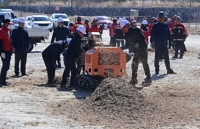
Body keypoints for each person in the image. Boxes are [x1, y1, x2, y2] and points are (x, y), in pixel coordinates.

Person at [120, 20, 152, 86]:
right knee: (134, 64)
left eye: (124, 28)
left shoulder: (136, 30)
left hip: (143, 49)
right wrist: (120, 48)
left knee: (144, 63)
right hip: (136, 51)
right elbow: (127, 44)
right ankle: (134, 79)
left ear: (127, 26)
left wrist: (138, 43)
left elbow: (143, 38)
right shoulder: (126, 34)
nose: (124, 30)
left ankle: (148, 78)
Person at [0, 19, 12, 85]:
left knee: (7, 66)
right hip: (4, 51)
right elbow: (0, 42)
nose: (9, 25)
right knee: (5, 66)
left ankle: (3, 80)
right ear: (5, 23)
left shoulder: (7, 31)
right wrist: (2, 52)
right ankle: (2, 81)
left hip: (8, 51)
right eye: (8, 23)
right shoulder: (1, 31)